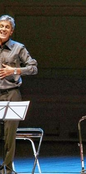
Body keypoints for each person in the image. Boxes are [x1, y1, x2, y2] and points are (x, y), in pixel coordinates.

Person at [0, 14, 38, 174]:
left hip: (12, 94)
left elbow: (33, 68)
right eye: (1, 26)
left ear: (12, 31)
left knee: (9, 135)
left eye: (6, 27)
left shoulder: (18, 48)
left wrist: (14, 70)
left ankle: (7, 169)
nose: (3, 29)